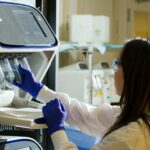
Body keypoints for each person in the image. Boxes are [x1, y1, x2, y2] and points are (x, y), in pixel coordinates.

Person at [13, 38, 150, 150]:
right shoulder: (133, 115)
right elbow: (84, 115)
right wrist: (38, 89)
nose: (115, 69)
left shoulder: (129, 139)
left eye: (119, 63)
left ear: (134, 75)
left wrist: (57, 130)